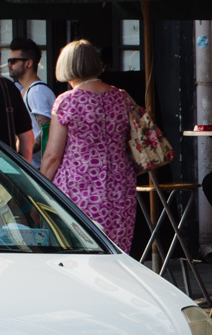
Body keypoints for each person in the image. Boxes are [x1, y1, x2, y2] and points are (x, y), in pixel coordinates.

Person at [39, 38, 141, 249]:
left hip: (79, 185)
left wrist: (38, 189)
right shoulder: (121, 97)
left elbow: (52, 156)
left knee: (80, 249)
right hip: (120, 184)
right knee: (116, 249)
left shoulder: (67, 101)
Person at [5, 37, 57, 153]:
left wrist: (21, 155)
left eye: (13, 61)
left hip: (36, 167)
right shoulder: (27, 90)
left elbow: (47, 131)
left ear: (28, 63)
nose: (9, 65)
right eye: (8, 61)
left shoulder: (36, 92)